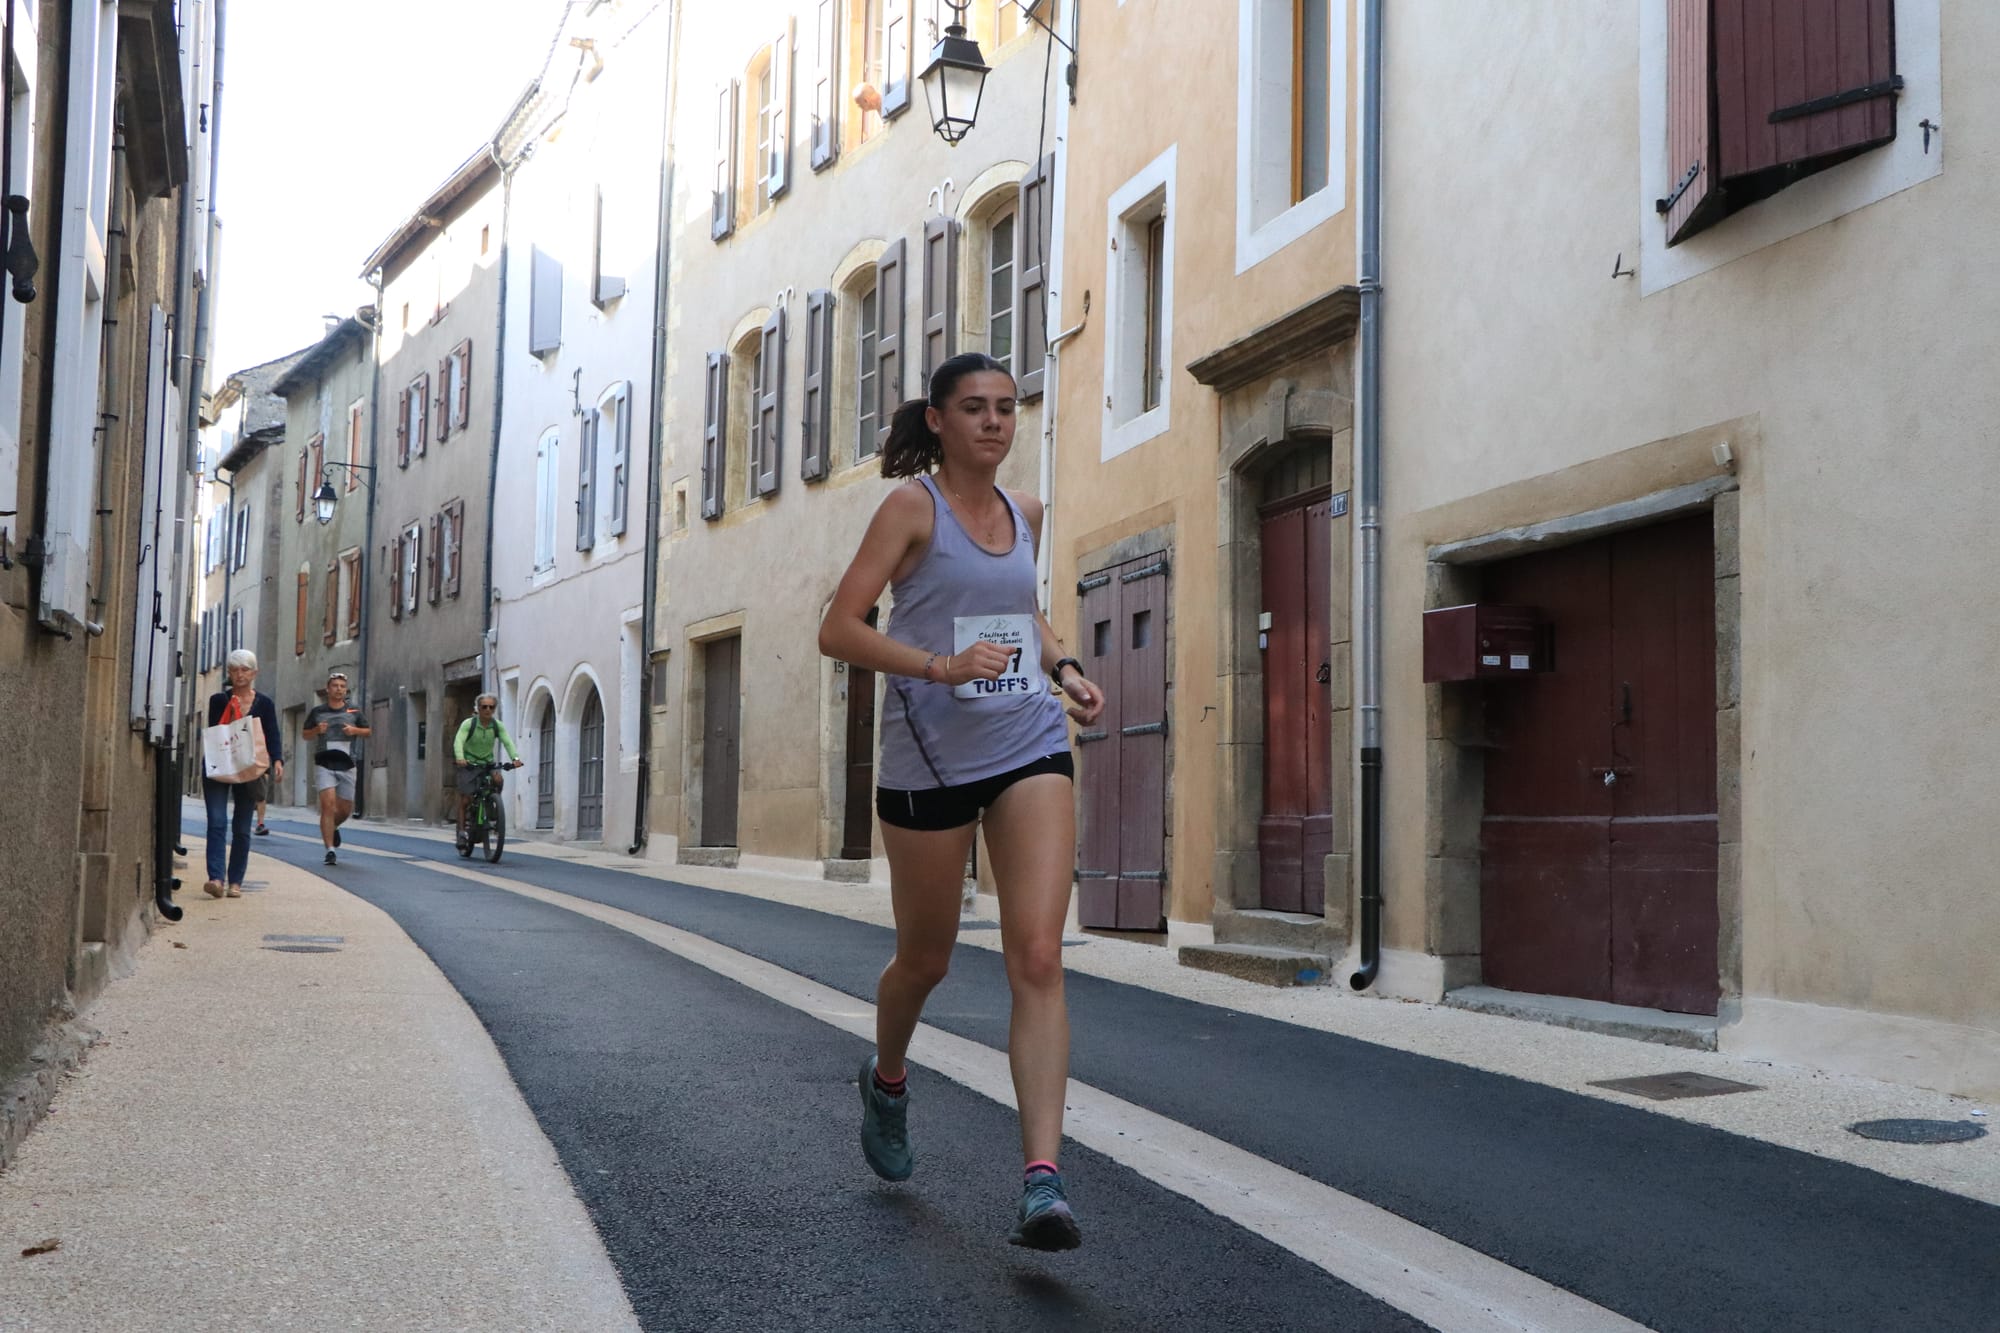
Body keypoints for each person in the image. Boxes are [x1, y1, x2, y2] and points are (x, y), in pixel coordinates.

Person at [817, 352, 1107, 1251]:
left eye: (1006, 408)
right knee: (926, 960)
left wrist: (1062, 666)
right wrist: (937, 665)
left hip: (1025, 743)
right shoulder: (912, 508)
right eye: (974, 408)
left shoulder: (1025, 513)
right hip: (930, 763)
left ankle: (1042, 1181)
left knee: (1038, 955)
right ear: (938, 421)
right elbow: (840, 626)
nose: (994, 422)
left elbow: (1022, 609)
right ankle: (889, 1078)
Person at [202, 649, 284, 898]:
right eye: (235, 670)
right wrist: (233, 709)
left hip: (249, 769)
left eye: (245, 670)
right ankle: (216, 878)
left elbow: (272, 733)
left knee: (241, 826)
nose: (240, 675)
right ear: (229, 673)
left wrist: (277, 759)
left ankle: (235, 881)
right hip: (220, 765)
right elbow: (218, 731)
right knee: (217, 822)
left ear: (254, 673)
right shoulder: (218, 700)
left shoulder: (265, 703)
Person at [303, 670, 371, 866]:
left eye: (342, 686)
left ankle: (333, 827)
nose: (339, 689)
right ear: (328, 689)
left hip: (348, 763)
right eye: (335, 686)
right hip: (324, 762)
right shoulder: (317, 712)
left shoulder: (354, 711)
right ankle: (330, 850)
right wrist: (317, 730)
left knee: (345, 810)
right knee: (328, 806)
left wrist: (354, 730)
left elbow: (368, 731)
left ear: (346, 690)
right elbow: (305, 734)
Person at [453, 694, 521, 846]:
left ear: (494, 709)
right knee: (466, 799)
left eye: (491, 707)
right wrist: (460, 757)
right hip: (468, 764)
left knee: (498, 780)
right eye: (484, 706)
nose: (488, 710)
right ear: (478, 708)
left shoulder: (497, 726)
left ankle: (493, 808)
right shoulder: (468, 724)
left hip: (487, 764)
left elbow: (507, 742)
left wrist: (515, 759)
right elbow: (459, 741)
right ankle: (462, 832)